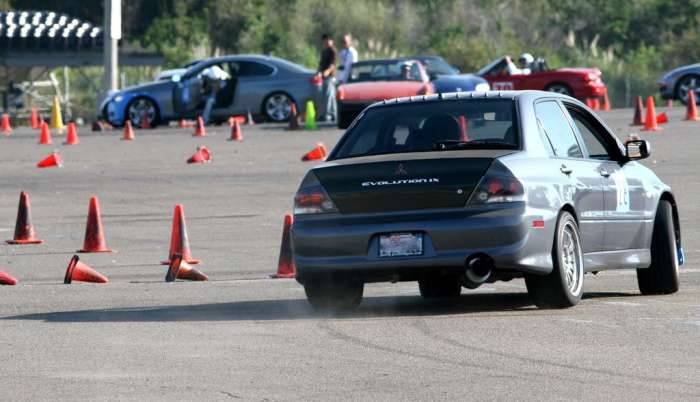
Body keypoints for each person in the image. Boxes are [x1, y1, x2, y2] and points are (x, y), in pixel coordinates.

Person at [317, 34, 337, 122]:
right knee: (327, 96)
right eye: (325, 41)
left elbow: (332, 65)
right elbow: (321, 64)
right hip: (323, 78)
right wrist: (319, 72)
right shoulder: (323, 51)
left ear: (332, 41)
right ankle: (332, 114)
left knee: (329, 96)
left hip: (330, 77)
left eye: (329, 40)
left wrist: (327, 72)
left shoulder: (332, 51)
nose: (327, 42)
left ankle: (328, 115)